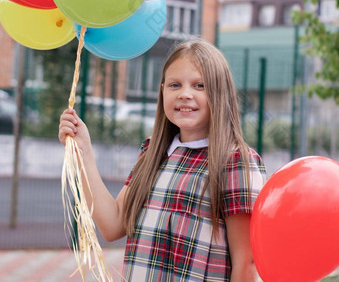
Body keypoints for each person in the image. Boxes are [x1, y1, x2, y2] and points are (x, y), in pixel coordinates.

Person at [59, 39, 266, 281]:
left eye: (200, 85)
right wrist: (82, 151)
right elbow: (113, 224)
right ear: (162, 90)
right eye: (174, 85)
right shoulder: (153, 152)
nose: (185, 94)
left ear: (220, 92)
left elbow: (247, 264)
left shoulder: (236, 162)